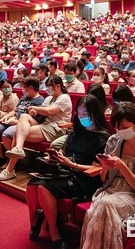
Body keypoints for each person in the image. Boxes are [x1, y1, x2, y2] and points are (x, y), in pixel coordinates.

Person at [26, 95, 110, 247]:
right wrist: (56, 157)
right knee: (32, 184)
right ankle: (34, 222)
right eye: (80, 113)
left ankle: (54, 231)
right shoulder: (76, 132)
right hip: (64, 170)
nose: (83, 117)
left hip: (83, 178)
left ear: (95, 114)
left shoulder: (104, 139)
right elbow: (65, 153)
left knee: (44, 187)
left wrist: (71, 164)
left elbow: (95, 168)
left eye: (86, 114)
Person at [80, 103, 135, 249]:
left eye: (124, 127)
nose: (120, 131)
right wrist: (105, 168)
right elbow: (104, 181)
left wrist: (122, 165)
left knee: (104, 206)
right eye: (117, 127)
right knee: (100, 208)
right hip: (111, 190)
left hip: (134, 195)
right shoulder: (113, 141)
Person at [0, 75, 72, 181]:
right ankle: (18, 150)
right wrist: (34, 112)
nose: (47, 89)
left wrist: (34, 108)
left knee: (17, 134)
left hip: (56, 128)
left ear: (58, 86)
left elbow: (49, 111)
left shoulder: (64, 98)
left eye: (50, 87)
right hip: (44, 124)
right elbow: (41, 113)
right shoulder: (49, 98)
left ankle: (10, 169)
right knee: (23, 116)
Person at [0, 76, 45, 167]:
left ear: (31, 88)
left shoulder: (40, 101)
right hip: (11, 120)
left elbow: (35, 121)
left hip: (22, 125)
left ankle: (11, 161)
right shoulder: (24, 97)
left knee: (7, 135)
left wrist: (18, 122)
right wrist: (7, 116)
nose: (22, 89)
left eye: (24, 87)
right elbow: (15, 110)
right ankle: (1, 157)